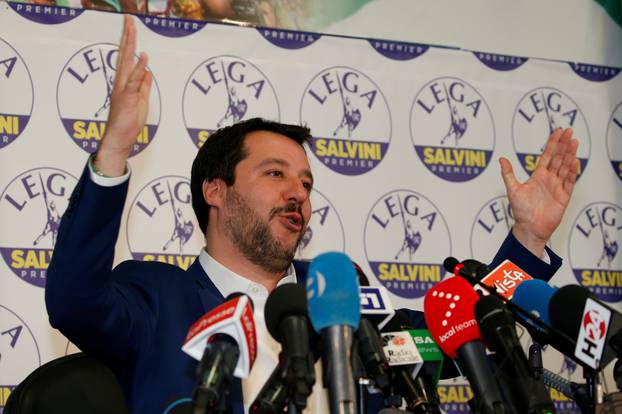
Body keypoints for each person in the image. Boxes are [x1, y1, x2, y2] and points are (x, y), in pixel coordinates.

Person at [45, 15, 580, 414]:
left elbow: (468, 327)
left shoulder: (348, 310)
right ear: (215, 189)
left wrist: (527, 241)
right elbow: (74, 299)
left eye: (306, 183)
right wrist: (113, 152)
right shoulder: (156, 300)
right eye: (275, 174)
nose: (298, 193)